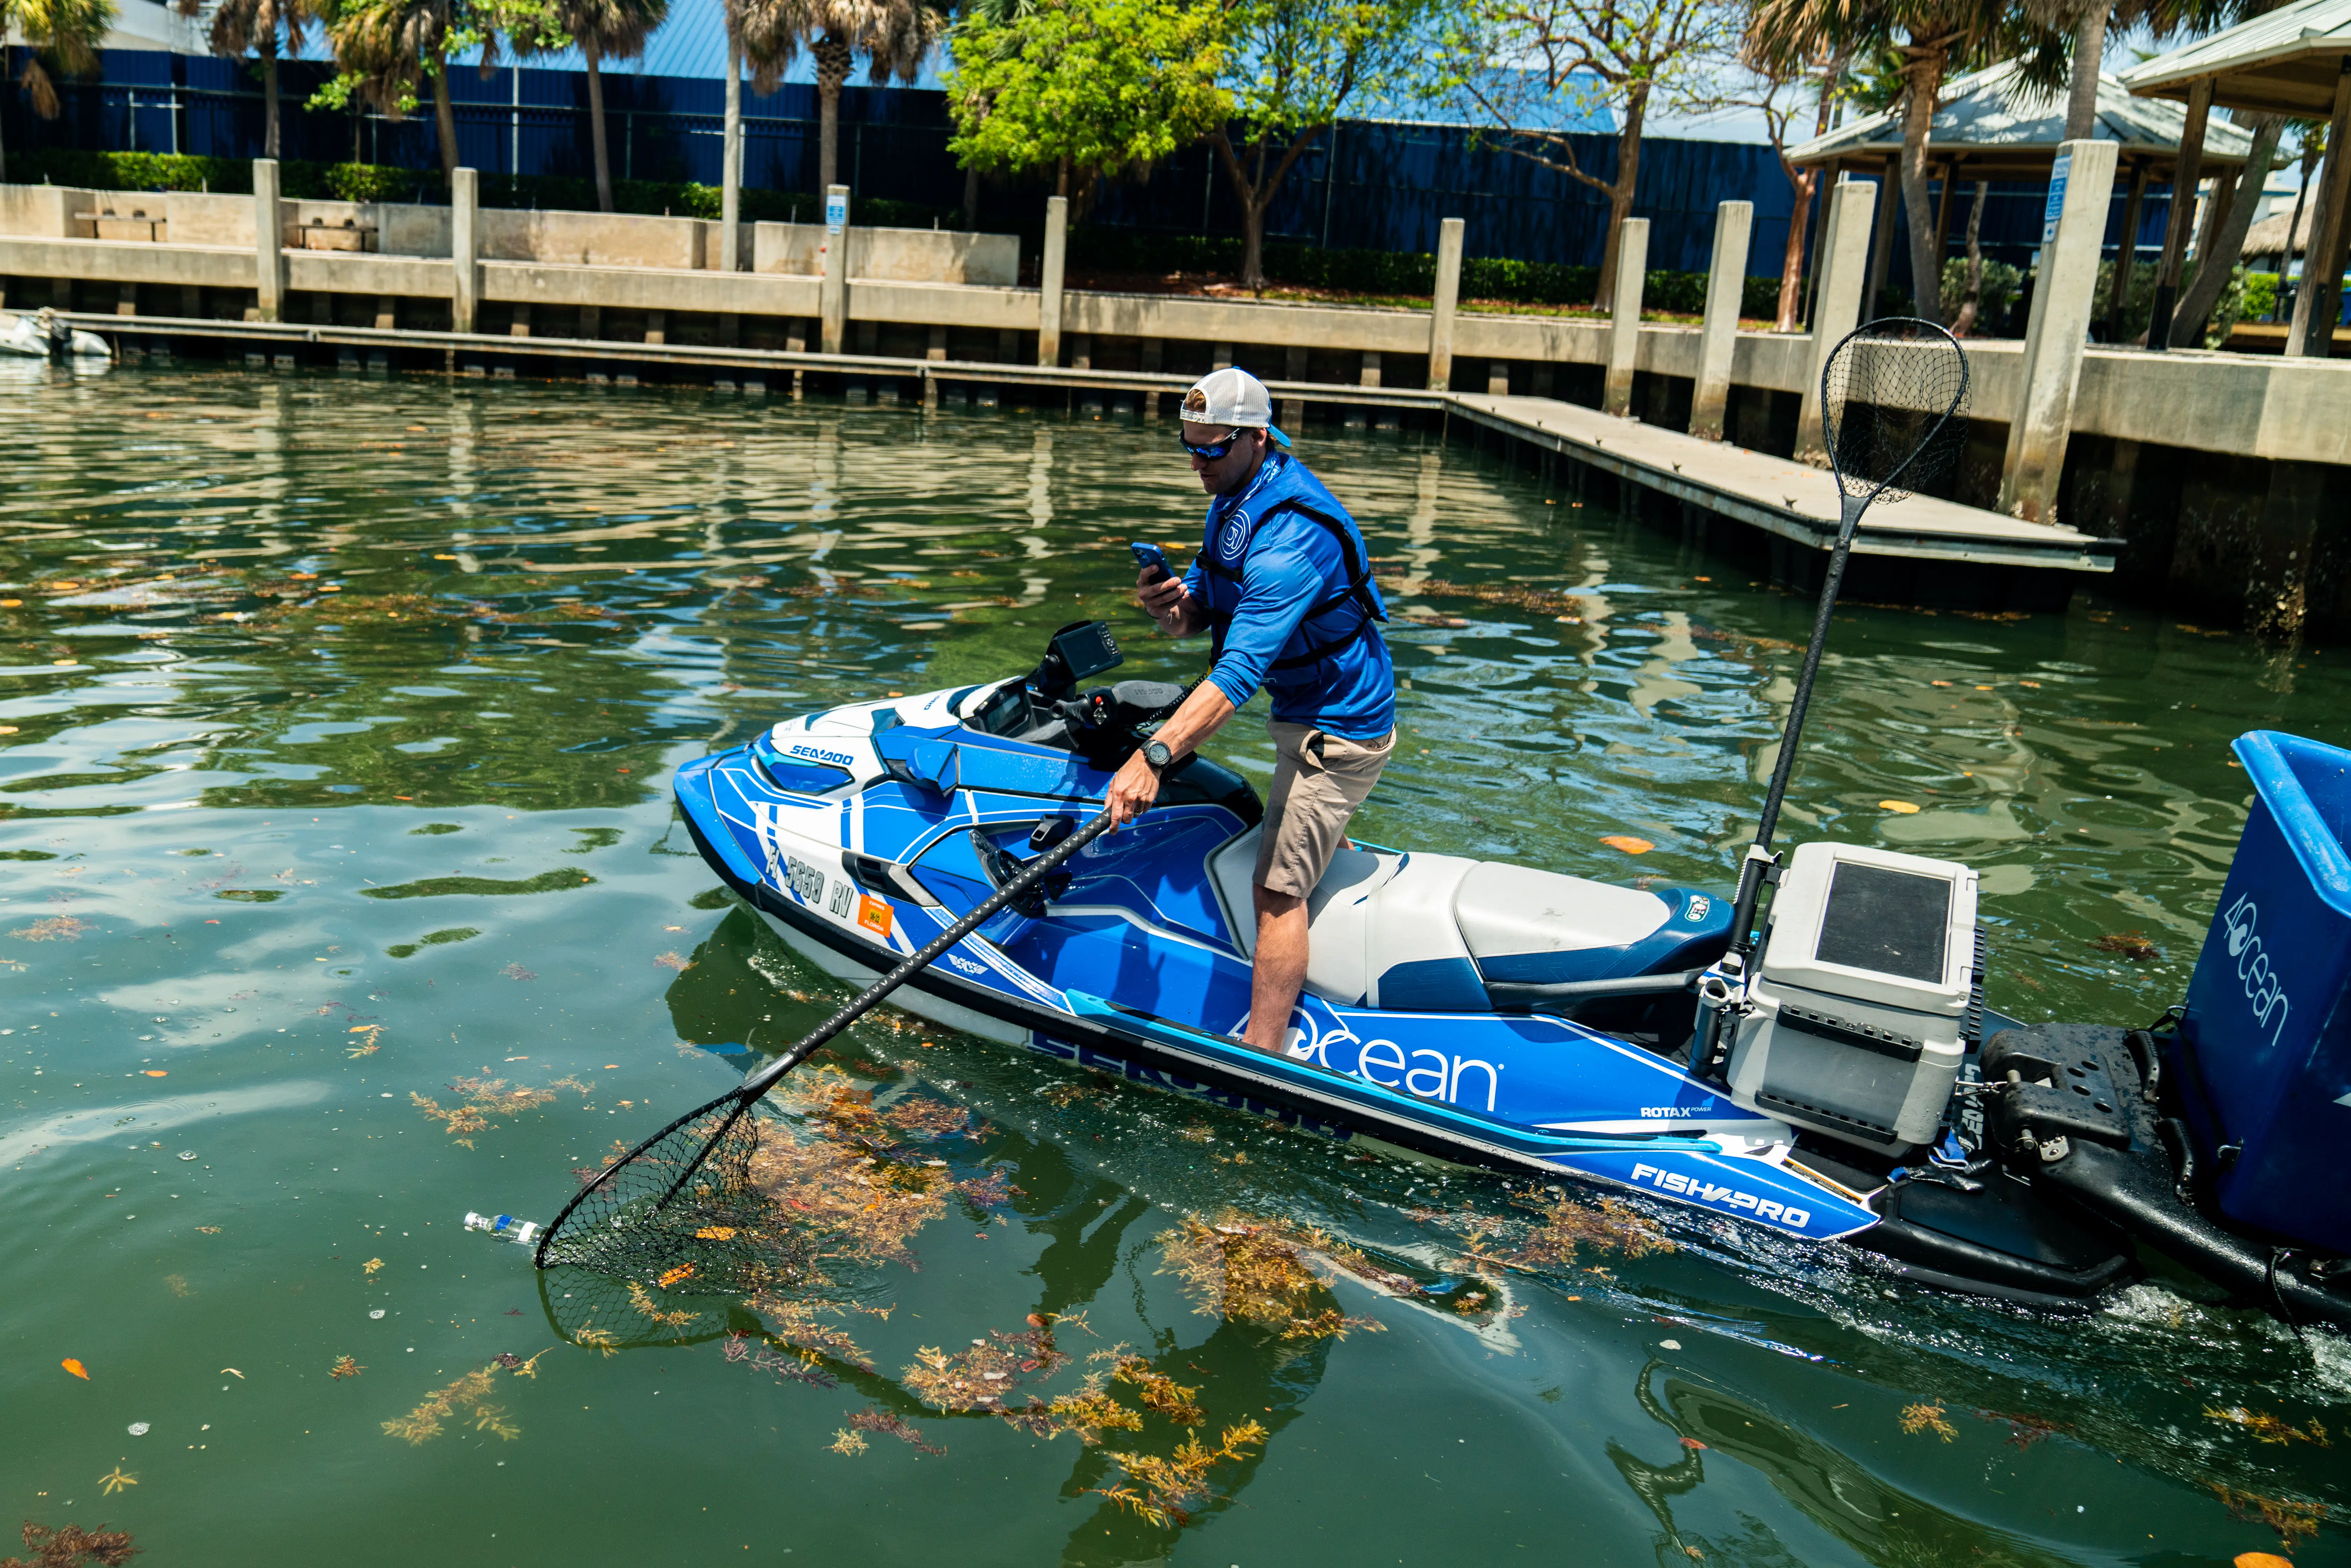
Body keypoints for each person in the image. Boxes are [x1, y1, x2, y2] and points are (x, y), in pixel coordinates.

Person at [1102, 367, 1396, 1056]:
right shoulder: (1237, 496)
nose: (1199, 464)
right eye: (1189, 448)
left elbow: (1238, 672)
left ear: (1256, 438)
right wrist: (1173, 608)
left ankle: (1263, 1059)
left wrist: (1153, 756)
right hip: (1302, 712)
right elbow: (1207, 605)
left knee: (1276, 892)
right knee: (1294, 842)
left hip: (1341, 727)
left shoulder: (1294, 534)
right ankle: (1335, 944)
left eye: (1212, 450)